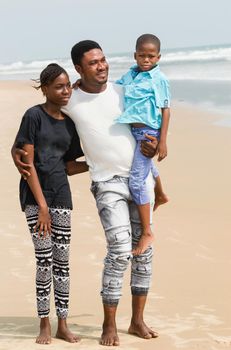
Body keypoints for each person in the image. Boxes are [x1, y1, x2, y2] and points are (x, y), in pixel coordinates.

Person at [12, 41, 159, 346]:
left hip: (137, 179)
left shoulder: (122, 91)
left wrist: (154, 145)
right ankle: (105, 326)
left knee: (144, 254)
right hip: (104, 185)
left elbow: (145, 124)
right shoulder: (68, 101)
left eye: (102, 60)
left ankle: (136, 321)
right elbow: (38, 132)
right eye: (92, 63)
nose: (101, 66)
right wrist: (17, 151)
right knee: (117, 251)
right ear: (79, 69)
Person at [12, 63, 88, 344]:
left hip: (62, 196)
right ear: (45, 89)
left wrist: (95, 164)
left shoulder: (69, 123)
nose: (65, 90)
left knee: (63, 263)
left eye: (68, 85)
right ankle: (44, 323)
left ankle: (63, 324)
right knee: (44, 261)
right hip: (35, 199)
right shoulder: (33, 116)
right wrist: (42, 207)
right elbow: (27, 164)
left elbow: (68, 166)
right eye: (58, 86)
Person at [115, 34, 170, 256]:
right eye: (142, 55)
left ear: (158, 57)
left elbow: (166, 110)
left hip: (148, 132)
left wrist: (163, 141)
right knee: (145, 167)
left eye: (151, 56)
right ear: (135, 55)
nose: (146, 59)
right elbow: (114, 89)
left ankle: (147, 231)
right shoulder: (130, 75)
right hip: (132, 130)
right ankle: (161, 195)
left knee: (136, 181)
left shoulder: (158, 79)